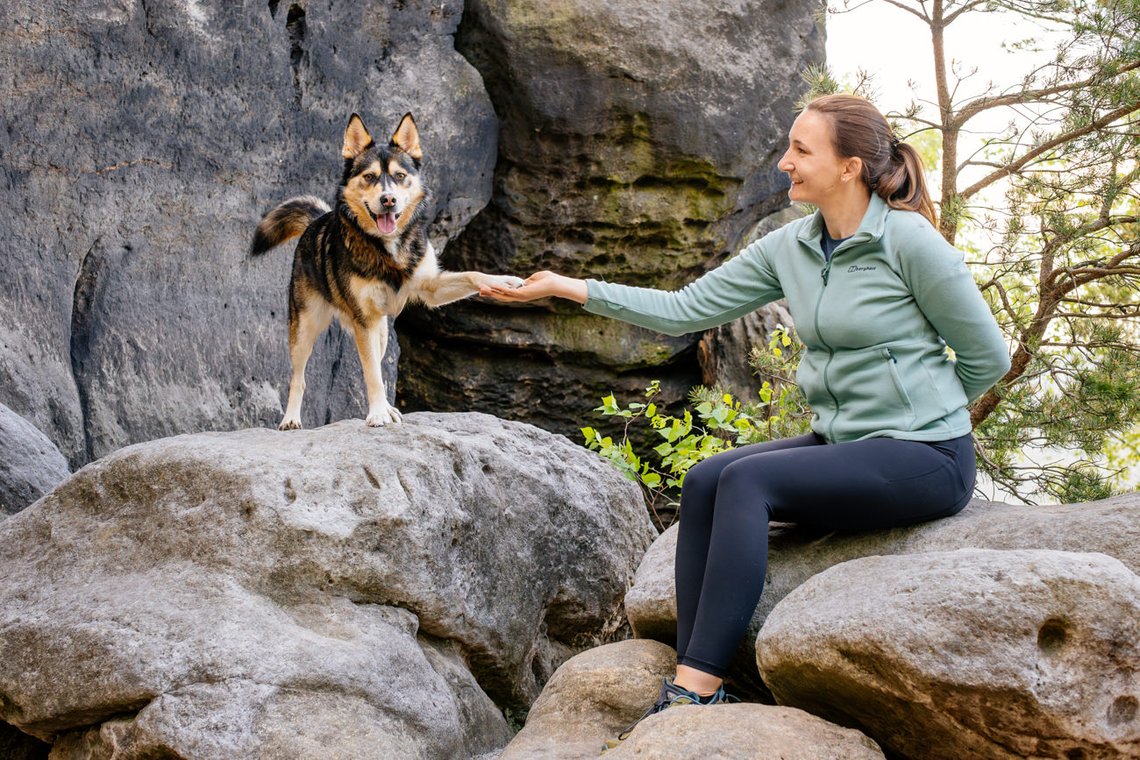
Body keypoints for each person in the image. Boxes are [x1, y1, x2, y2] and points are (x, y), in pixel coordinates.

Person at [481, 94, 1012, 746]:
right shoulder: (794, 246)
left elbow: (988, 356)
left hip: (927, 455)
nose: (785, 162)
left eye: (802, 150)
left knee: (748, 485)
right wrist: (567, 287)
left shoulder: (907, 242)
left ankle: (694, 694)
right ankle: (702, 663)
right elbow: (684, 310)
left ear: (849, 167)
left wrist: (924, 411)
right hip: (845, 442)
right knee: (707, 478)